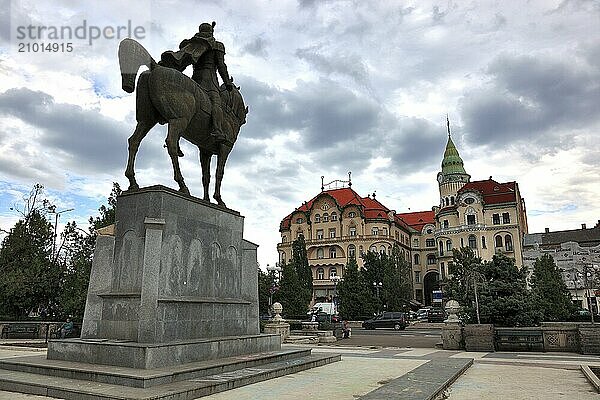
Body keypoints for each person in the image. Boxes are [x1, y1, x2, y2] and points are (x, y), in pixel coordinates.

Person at [159, 22, 233, 145]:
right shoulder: (217, 45)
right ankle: (217, 130)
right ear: (210, 31)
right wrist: (227, 82)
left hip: (194, 80)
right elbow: (221, 65)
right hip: (210, 83)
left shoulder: (193, 44)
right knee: (216, 103)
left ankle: (174, 137)